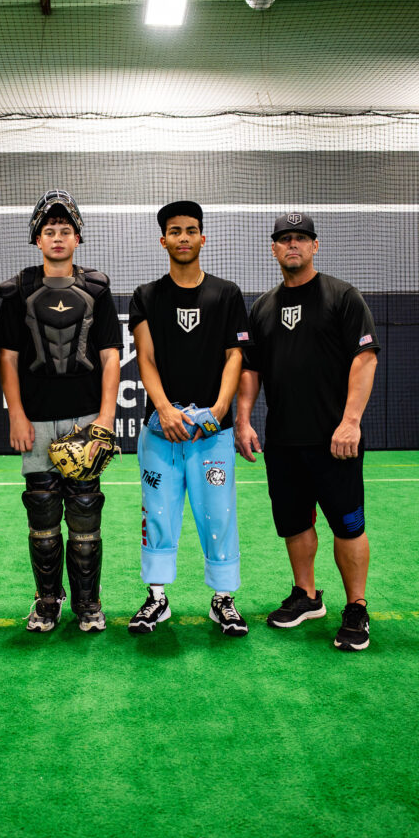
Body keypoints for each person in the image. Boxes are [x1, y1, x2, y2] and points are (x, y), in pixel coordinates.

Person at [235, 213, 379, 652]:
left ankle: (356, 607)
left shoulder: (343, 297)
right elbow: (251, 370)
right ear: (273, 249)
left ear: (315, 245)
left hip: (335, 441)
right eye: (284, 239)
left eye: (301, 238)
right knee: (294, 523)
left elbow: (365, 359)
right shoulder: (262, 307)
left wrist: (350, 421)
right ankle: (307, 595)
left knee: (348, 526)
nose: (292, 244)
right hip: (283, 441)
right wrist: (243, 420)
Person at [0, 189, 121, 633]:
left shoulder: (97, 290)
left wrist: (105, 418)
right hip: (37, 419)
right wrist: (16, 414)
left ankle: (88, 603)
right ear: (37, 239)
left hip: (85, 417)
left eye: (66, 230)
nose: (58, 237)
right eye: (50, 231)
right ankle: (47, 601)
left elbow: (110, 356)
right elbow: (8, 358)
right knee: (43, 512)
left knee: (85, 510)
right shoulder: (19, 291)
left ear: (78, 238)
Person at [127, 200, 252, 637]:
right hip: (161, 431)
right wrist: (164, 409)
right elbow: (145, 358)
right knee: (158, 514)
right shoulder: (146, 295)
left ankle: (223, 600)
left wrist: (219, 410)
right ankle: (156, 598)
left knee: (218, 515)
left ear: (203, 238)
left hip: (212, 434)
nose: (184, 237)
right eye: (175, 231)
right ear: (163, 240)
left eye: (191, 230)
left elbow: (235, 355)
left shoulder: (227, 293)